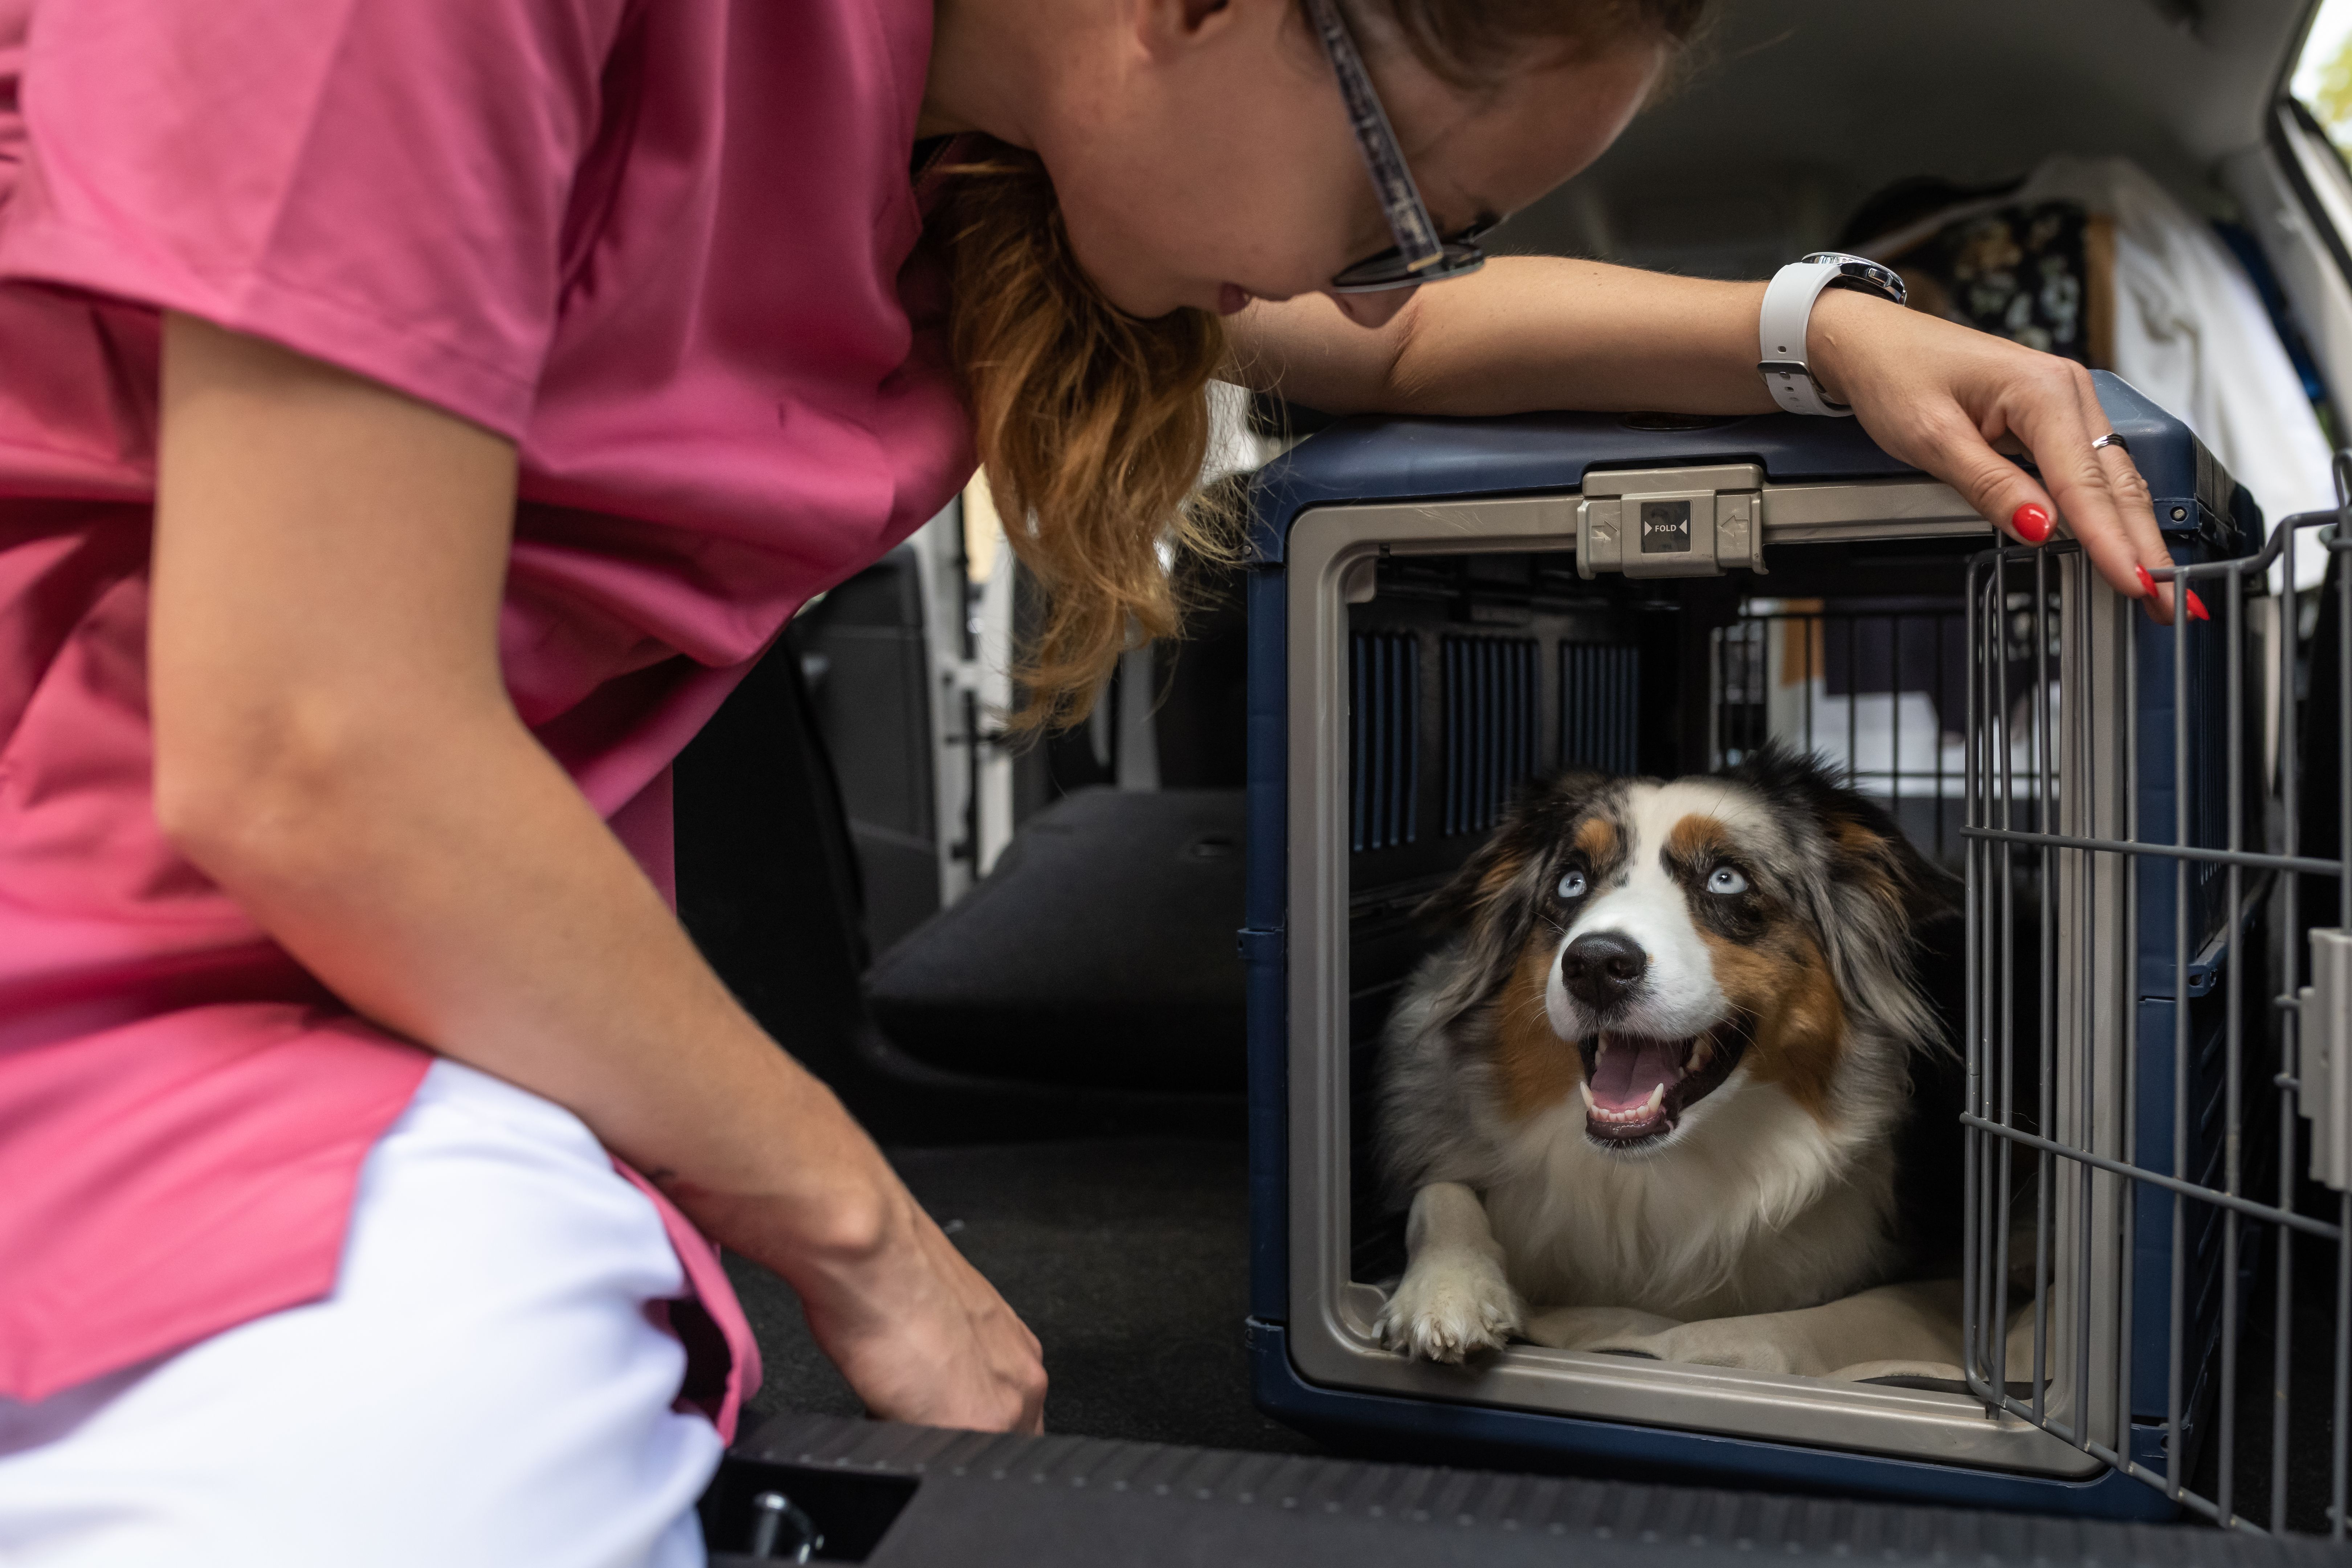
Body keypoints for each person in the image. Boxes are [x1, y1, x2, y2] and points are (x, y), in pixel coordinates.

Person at [0, 0, 2180, 1561]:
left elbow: (1385, 338)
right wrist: (864, 1235)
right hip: (126, 954)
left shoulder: (955, 161)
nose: (1376, 277)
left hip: (400, 996)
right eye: (1420, 198)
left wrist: (1821, 330)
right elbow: (313, 741)